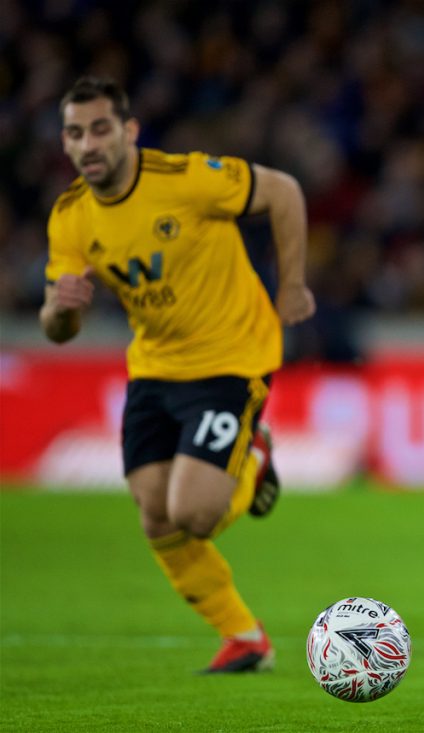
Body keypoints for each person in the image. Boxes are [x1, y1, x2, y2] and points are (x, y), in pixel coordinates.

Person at [40, 76, 316, 673]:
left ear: (129, 131)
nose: (88, 144)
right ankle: (245, 637)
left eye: (100, 129)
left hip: (231, 358)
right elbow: (56, 329)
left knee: (194, 512)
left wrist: (291, 285)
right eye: (74, 132)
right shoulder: (70, 217)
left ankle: (253, 456)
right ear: (64, 142)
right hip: (154, 369)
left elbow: (284, 192)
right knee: (154, 513)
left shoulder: (186, 179)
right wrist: (61, 309)